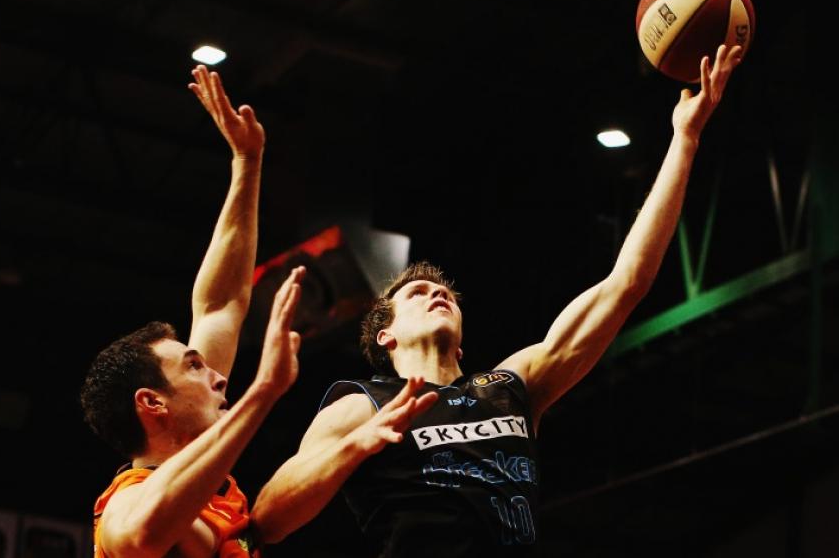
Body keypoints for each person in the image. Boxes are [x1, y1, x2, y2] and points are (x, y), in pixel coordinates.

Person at [251, 44, 744, 555]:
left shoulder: (512, 387)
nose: (436, 294)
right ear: (386, 335)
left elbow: (626, 284)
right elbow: (267, 519)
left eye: (446, 294)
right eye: (418, 293)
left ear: (463, 341)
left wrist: (684, 140)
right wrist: (358, 442)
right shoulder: (361, 404)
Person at [81, 64, 293, 558]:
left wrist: (248, 162)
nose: (218, 377)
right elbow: (140, 537)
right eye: (194, 367)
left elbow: (221, 302)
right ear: (152, 403)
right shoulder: (125, 501)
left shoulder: (205, 487)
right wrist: (262, 393)